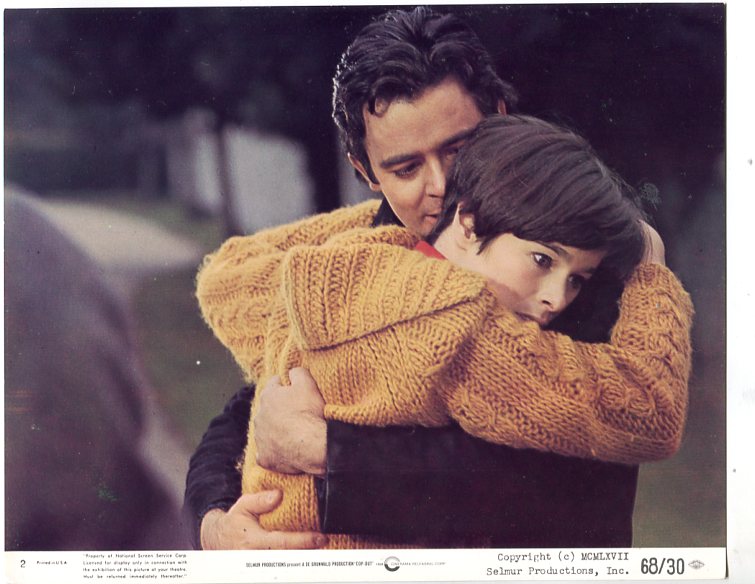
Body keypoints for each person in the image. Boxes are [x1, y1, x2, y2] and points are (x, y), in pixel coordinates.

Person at [184, 7, 674, 550]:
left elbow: (569, 484)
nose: (441, 186)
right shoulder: (358, 253)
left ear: (500, 118)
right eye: (406, 168)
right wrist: (213, 521)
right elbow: (246, 411)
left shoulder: (568, 263)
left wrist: (326, 449)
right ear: (366, 171)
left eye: (457, 149)